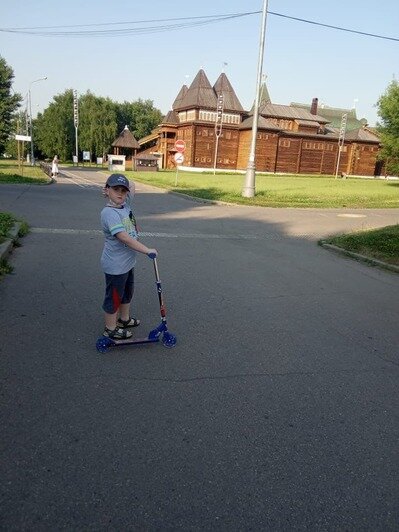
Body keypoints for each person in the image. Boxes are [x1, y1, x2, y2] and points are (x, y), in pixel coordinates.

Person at [100, 173, 157, 339]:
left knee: (127, 292)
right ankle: (110, 328)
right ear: (107, 191)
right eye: (115, 189)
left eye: (123, 191)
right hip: (115, 265)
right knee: (114, 297)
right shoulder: (109, 213)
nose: (120, 193)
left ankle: (124, 319)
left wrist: (121, 182)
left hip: (127, 263)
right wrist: (147, 250)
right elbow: (124, 237)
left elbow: (131, 184)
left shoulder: (125, 205)